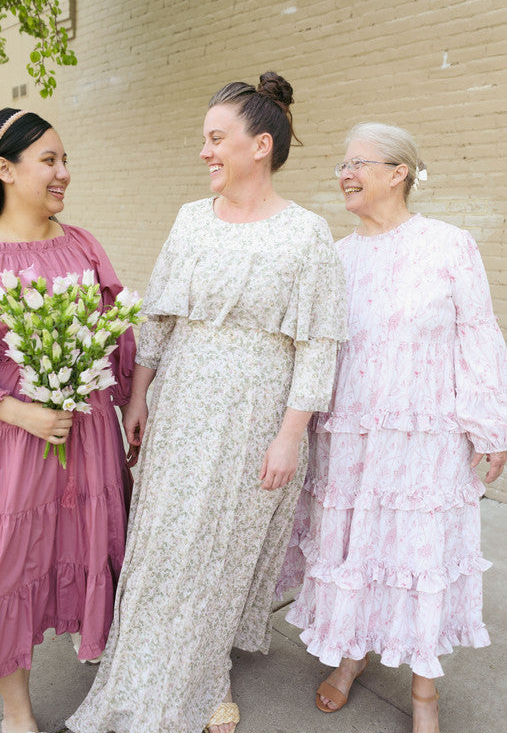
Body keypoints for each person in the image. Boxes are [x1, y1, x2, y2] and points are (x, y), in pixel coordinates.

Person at [66, 72, 347, 733]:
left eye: (217, 139)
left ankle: (205, 671)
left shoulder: (306, 234)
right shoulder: (191, 219)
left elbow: (318, 345)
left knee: (223, 545)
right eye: (204, 140)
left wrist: (289, 434)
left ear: (261, 145)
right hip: (185, 402)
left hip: (257, 412)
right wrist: (138, 397)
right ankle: (145, 658)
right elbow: (158, 319)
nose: (205, 152)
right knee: (166, 538)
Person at [277, 122, 507, 733]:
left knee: (418, 558)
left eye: (359, 163)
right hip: (349, 434)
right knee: (358, 551)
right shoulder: (337, 255)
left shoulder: (449, 245)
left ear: (398, 172)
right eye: (342, 165)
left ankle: (425, 692)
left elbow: (477, 335)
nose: (345, 174)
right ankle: (352, 657)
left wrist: (491, 425)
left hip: (426, 435)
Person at [0, 108, 135, 733]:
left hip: (87, 437)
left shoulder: (81, 243)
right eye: (48, 160)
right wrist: (19, 409)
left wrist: (131, 404)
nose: (63, 173)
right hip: (17, 443)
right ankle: (17, 710)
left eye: (64, 160)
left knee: (93, 547)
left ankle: (107, 667)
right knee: (12, 567)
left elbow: (119, 333)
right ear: (5, 168)